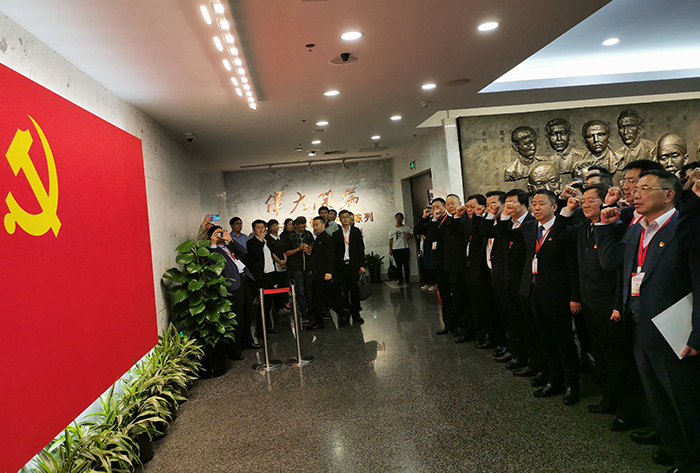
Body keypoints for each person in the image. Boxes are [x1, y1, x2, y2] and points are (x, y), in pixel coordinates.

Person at [597, 169, 700, 473]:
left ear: (669, 195)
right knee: (658, 401)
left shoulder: (684, 228)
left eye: (645, 188)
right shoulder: (636, 230)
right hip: (640, 329)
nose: (636, 193)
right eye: (636, 187)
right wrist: (605, 227)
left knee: (684, 403)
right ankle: (679, 457)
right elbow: (612, 263)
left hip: (675, 331)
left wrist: (697, 334)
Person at [506, 189, 581, 406]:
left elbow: (572, 266)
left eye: (541, 204)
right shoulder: (531, 227)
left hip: (557, 294)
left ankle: (572, 384)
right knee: (544, 339)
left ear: (555, 207)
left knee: (563, 340)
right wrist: (503, 215)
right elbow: (504, 234)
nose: (536, 208)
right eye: (534, 204)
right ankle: (554, 379)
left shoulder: (565, 229)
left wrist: (574, 296)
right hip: (534, 292)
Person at [496, 189, 545, 377]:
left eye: (512, 202)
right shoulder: (512, 223)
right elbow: (502, 235)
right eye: (506, 202)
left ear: (524, 204)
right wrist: (504, 216)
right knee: (519, 323)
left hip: (529, 283)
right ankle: (523, 356)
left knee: (532, 327)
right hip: (512, 282)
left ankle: (537, 362)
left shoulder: (531, 223)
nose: (508, 205)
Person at [207, 225, 260, 359]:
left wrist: (230, 240)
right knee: (237, 317)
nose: (221, 235)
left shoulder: (229, 246)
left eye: (222, 232)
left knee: (248, 312)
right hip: (232, 285)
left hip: (244, 280)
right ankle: (234, 350)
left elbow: (244, 252)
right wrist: (213, 243)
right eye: (217, 233)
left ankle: (247, 341)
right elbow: (213, 264)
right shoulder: (212, 250)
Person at [306, 216, 350, 330]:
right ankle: (341, 311)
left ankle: (320, 321)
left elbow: (331, 256)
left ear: (323, 225)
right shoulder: (318, 238)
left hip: (323, 273)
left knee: (318, 297)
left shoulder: (327, 238)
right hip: (317, 273)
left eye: (317, 225)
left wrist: (329, 272)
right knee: (321, 297)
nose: (315, 227)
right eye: (313, 225)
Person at [247, 219, 280, 339]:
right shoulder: (251, 242)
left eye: (263, 227)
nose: (261, 230)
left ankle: (267, 327)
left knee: (269, 304)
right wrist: (260, 240)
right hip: (261, 277)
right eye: (258, 228)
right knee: (262, 305)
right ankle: (260, 331)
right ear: (253, 230)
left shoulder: (267, 241)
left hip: (270, 275)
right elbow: (255, 255)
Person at [333, 209, 366, 325]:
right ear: (339, 219)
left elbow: (361, 249)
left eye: (347, 217)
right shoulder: (336, 234)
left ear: (350, 218)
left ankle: (356, 314)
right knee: (343, 291)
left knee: (354, 291)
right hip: (341, 266)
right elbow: (334, 253)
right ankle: (346, 314)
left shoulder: (356, 232)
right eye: (343, 217)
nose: (345, 219)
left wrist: (362, 265)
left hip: (354, 266)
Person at [283, 216, 315, 322]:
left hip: (308, 266)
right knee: (300, 290)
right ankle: (303, 312)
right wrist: (298, 249)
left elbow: (313, 247)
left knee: (310, 289)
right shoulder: (289, 237)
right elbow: (286, 253)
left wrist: (309, 249)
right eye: (300, 227)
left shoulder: (308, 234)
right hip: (296, 267)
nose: (303, 229)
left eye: (304, 226)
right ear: (295, 225)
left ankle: (312, 311)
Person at [266, 219, 290, 316]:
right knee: (278, 287)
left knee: (284, 285)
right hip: (275, 265)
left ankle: (284, 305)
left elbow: (284, 251)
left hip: (283, 265)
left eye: (276, 225)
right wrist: (280, 262)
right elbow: (272, 253)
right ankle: (278, 307)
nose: (275, 227)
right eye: (273, 226)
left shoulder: (280, 238)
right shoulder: (268, 239)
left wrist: (284, 260)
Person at [389, 212, 414, 285]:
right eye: (397, 217)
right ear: (395, 219)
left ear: (402, 219)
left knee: (406, 265)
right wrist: (390, 250)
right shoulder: (392, 229)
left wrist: (407, 237)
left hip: (404, 248)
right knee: (398, 266)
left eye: (400, 217)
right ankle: (400, 280)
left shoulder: (406, 228)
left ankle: (407, 280)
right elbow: (390, 240)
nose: (399, 219)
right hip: (395, 249)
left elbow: (413, 233)